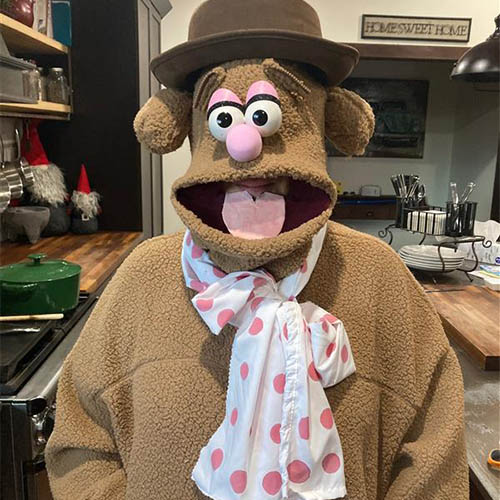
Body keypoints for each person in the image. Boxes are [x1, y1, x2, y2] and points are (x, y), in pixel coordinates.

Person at [46, 1, 468, 498]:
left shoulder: (377, 277)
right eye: (225, 118)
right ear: (189, 124)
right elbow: (81, 442)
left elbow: (435, 452)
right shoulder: (144, 277)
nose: (246, 145)